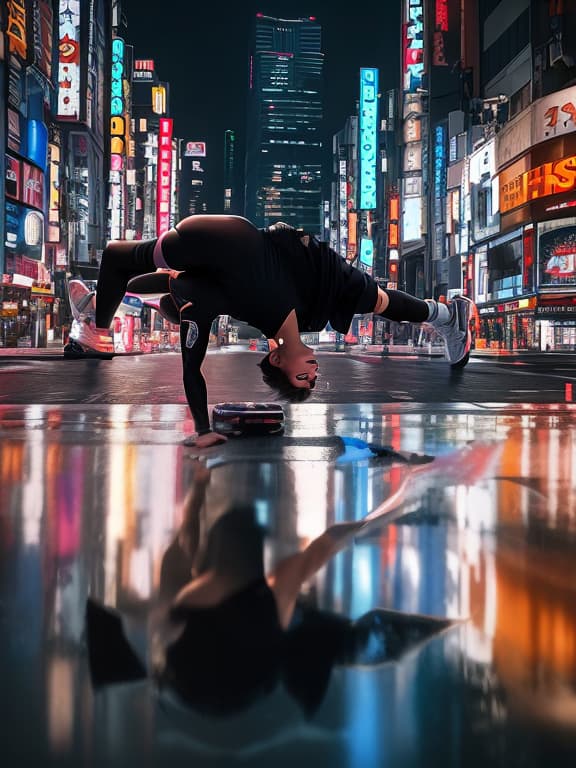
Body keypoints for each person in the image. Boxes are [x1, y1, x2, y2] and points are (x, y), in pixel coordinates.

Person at [65, 215, 474, 448]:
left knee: (132, 262)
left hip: (211, 240)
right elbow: (177, 288)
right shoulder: (314, 319)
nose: (313, 371)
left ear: (276, 358)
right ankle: (447, 316)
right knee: (375, 300)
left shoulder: (231, 307)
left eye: (302, 376)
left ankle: (94, 321)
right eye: (314, 378)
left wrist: (203, 430)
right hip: (303, 271)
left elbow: (193, 365)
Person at [85, 461, 452, 720]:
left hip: (223, 670)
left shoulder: (193, 591)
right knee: (330, 634)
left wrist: (198, 487)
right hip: (226, 670)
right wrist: (400, 499)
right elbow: (332, 539)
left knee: (329, 636)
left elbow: (187, 537)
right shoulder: (262, 592)